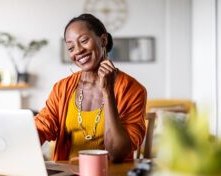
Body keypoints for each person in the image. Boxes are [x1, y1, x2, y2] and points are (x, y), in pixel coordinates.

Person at [35, 13, 147, 163]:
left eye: (84, 40)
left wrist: (108, 93)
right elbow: (42, 127)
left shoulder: (132, 90)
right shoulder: (62, 88)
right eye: (70, 47)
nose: (78, 50)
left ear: (103, 40)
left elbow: (117, 153)